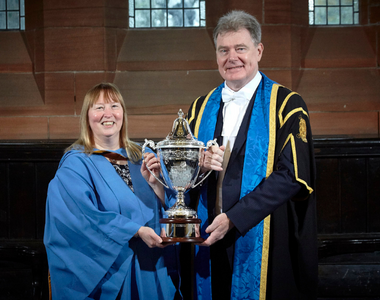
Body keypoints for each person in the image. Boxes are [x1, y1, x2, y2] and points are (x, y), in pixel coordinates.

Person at [186, 10, 317, 300]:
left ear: (258, 50)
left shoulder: (286, 105)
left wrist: (235, 218)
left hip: (264, 235)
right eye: (224, 50)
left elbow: (294, 175)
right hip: (208, 236)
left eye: (240, 48)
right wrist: (197, 164)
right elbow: (183, 172)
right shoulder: (199, 108)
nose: (232, 57)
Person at [44, 82, 180, 299]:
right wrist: (135, 230)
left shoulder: (142, 157)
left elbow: (173, 207)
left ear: (123, 113)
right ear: (87, 117)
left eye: (114, 106)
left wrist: (156, 185)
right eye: (99, 108)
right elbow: (79, 218)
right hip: (112, 273)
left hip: (152, 266)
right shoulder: (76, 164)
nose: (108, 114)